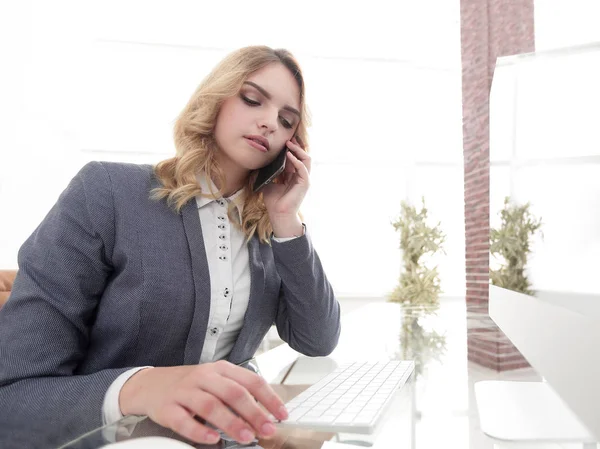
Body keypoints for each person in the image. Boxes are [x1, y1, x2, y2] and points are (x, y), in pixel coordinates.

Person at [0, 45, 340, 447]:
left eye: (287, 121)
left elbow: (318, 339)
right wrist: (140, 387)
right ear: (216, 98)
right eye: (252, 100)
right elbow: (13, 398)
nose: (269, 123)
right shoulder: (107, 193)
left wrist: (287, 219)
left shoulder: (267, 229)